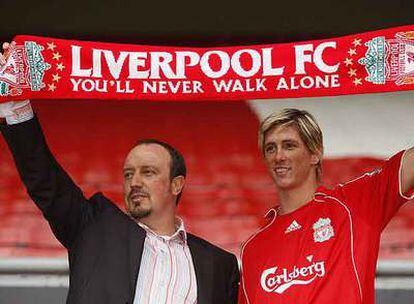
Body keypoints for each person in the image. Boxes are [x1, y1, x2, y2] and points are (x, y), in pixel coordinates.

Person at [0, 42, 239, 304]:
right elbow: (45, 180)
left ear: (176, 184)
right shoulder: (93, 229)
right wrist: (16, 105)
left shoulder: (219, 265)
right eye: (128, 174)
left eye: (148, 172)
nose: (134, 182)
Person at [239, 108, 414, 304]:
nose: (278, 156)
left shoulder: (353, 205)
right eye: (271, 148)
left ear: (315, 154)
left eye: (289, 146)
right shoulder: (253, 248)